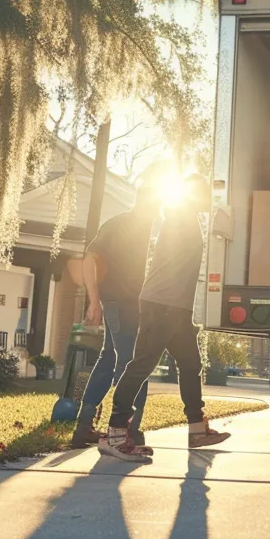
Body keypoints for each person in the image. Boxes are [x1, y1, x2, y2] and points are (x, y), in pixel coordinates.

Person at [100, 174, 231, 463]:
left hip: (175, 307)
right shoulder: (181, 219)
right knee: (142, 365)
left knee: (190, 364)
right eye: (204, 194)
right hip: (163, 305)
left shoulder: (184, 217)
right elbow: (222, 229)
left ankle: (197, 429)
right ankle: (116, 434)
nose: (209, 199)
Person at [69, 178, 163, 450]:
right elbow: (89, 260)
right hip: (121, 305)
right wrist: (94, 300)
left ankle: (84, 426)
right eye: (156, 204)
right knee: (133, 365)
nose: (158, 211)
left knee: (109, 357)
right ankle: (128, 430)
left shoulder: (141, 226)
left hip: (123, 304)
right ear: (145, 201)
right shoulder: (123, 224)